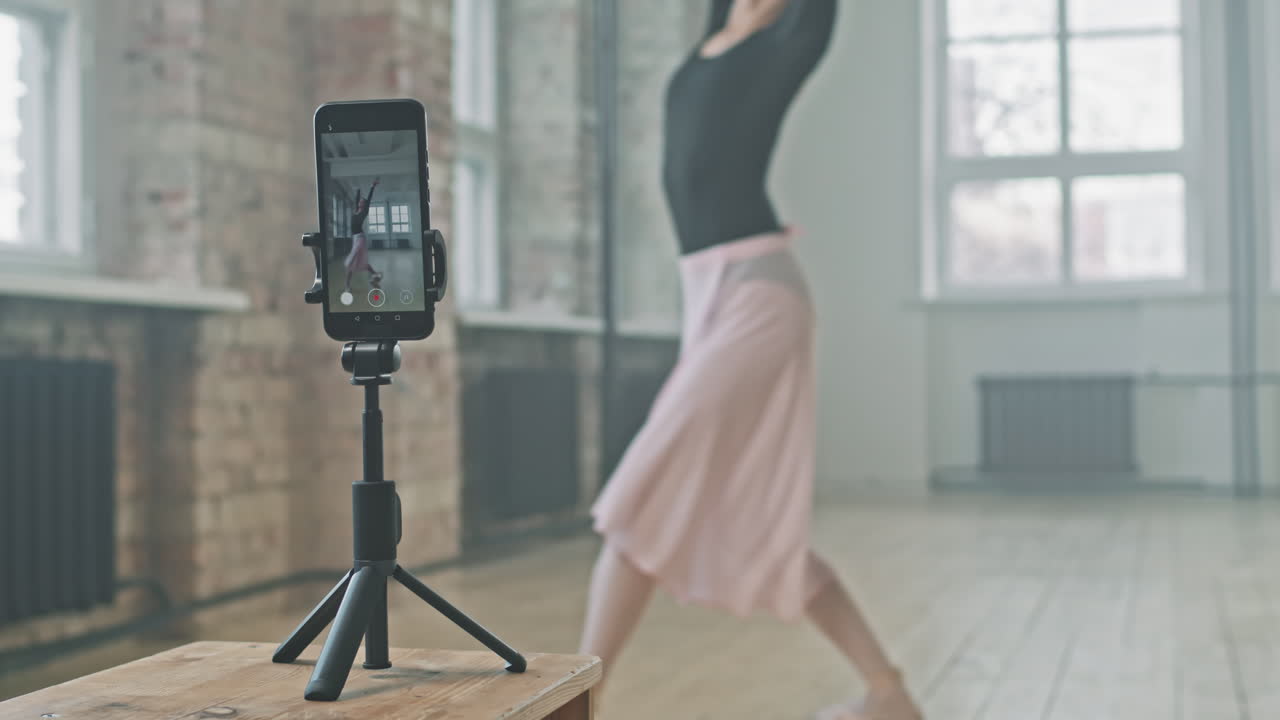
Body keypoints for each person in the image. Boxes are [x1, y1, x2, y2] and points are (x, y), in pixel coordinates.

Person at [578, 1, 924, 718]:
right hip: (706, 295)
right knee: (746, 523)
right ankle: (888, 692)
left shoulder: (781, 49)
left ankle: (581, 697)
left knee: (638, 496)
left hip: (758, 297)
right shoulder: (707, 48)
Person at [344, 178, 383, 295]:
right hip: (355, 239)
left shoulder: (364, 212)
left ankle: (347, 285)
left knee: (351, 261)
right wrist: (358, 190)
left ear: (364, 204)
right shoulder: (356, 210)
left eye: (362, 201)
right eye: (360, 201)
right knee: (361, 262)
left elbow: (369, 199)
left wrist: (372, 186)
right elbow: (356, 199)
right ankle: (375, 274)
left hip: (360, 239)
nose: (360, 202)